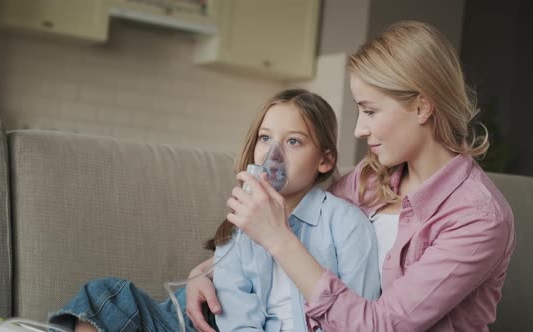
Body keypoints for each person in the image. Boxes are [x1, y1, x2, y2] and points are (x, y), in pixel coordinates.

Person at [187, 21, 516, 332]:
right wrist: (205, 274)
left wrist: (277, 238)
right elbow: (310, 228)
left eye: (370, 110)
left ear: (421, 108)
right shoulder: (370, 178)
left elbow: (381, 326)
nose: (359, 129)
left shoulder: (478, 218)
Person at [47, 89, 381, 332]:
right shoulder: (243, 219)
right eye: (265, 139)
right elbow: (237, 313)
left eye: (294, 142)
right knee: (104, 297)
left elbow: (356, 315)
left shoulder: (346, 225)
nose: (273, 154)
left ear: (325, 159)